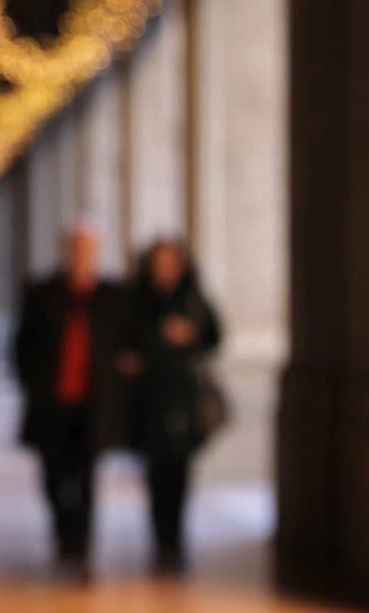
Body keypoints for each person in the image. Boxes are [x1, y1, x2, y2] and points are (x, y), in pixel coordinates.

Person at [12, 222, 133, 582]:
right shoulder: (43, 292)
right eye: (76, 248)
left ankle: (81, 551)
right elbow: (22, 346)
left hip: (93, 406)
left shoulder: (112, 296)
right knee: (52, 477)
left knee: (86, 479)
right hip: (54, 403)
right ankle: (63, 537)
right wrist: (32, 384)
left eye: (88, 248)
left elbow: (128, 342)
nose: (81, 255)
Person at [121, 238, 222, 575]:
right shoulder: (137, 301)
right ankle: (160, 539)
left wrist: (190, 334)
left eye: (170, 263)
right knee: (154, 472)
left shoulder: (193, 300)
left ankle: (175, 541)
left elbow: (215, 336)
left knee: (179, 471)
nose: (164, 270)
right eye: (158, 263)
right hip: (149, 399)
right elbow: (125, 341)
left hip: (183, 398)